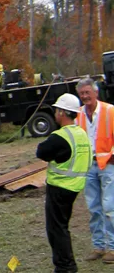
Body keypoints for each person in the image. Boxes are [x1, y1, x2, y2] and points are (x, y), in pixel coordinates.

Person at [36, 93, 92, 273]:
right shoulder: (81, 133)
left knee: (56, 229)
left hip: (60, 187)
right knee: (62, 226)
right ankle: (67, 265)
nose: (55, 114)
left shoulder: (61, 136)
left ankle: (65, 267)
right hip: (75, 186)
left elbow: (42, 152)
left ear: (62, 112)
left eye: (57, 110)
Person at [75, 76, 114, 262]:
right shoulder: (78, 115)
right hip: (89, 166)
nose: (85, 96)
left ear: (95, 92)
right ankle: (99, 246)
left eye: (87, 92)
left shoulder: (110, 111)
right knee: (94, 208)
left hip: (108, 164)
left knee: (110, 207)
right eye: (82, 93)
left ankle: (112, 248)